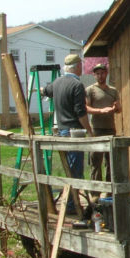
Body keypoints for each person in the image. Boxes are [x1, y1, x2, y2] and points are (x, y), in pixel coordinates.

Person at [43, 54, 93, 210]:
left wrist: (40, 89)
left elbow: (46, 90)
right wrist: (89, 130)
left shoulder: (57, 83)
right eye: (81, 66)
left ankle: (71, 203)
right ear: (77, 67)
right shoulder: (77, 85)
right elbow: (80, 112)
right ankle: (72, 205)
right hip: (75, 132)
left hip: (62, 131)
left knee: (69, 169)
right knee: (75, 171)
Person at [85, 62, 121, 181]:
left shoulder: (113, 91)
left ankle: (110, 193)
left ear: (106, 74)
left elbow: (119, 109)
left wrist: (115, 108)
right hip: (96, 129)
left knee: (111, 162)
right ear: (94, 75)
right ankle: (95, 192)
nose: (100, 76)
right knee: (96, 161)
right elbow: (86, 108)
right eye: (97, 74)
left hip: (110, 128)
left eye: (102, 73)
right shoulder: (90, 90)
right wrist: (101, 111)